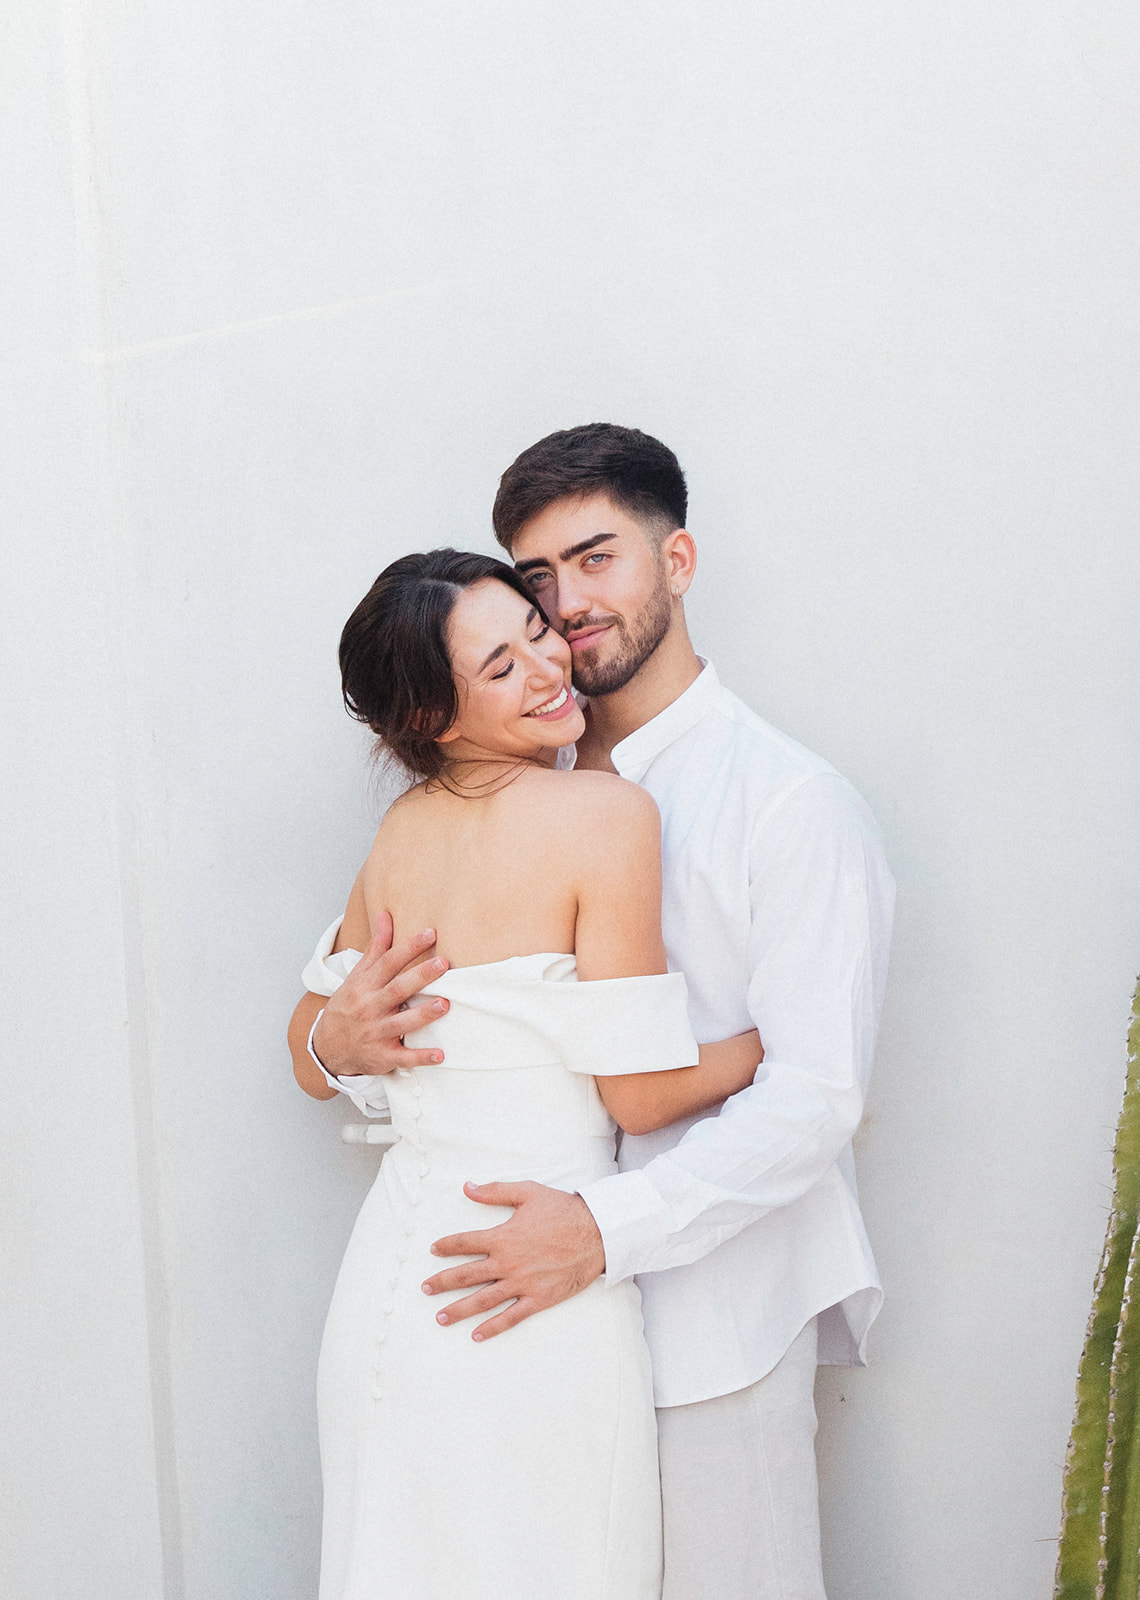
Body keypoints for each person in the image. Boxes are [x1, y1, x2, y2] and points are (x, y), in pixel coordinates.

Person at [290, 425, 896, 1600]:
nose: (565, 608)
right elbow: (374, 1037)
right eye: (537, 581)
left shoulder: (792, 805)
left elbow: (817, 1101)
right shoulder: (498, 795)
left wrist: (603, 1230)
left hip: (714, 1325)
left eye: (596, 559)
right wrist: (333, 1035)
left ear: (677, 560)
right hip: (494, 1315)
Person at [295, 546, 766, 1600]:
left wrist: (339, 1040)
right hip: (525, 1285)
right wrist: (781, 1042)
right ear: (431, 720)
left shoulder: (401, 832)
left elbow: (309, 1048)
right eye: (499, 670)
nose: (548, 670)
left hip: (394, 1283)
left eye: (536, 633)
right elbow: (638, 1094)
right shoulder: (605, 815)